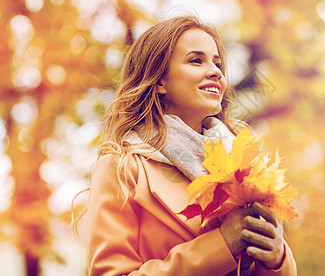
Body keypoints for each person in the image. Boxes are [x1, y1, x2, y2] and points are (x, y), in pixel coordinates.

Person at [86, 15, 298, 275]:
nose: (215, 72)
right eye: (196, 60)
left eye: (217, 63)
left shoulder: (243, 164)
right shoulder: (122, 169)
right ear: (160, 80)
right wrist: (222, 245)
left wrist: (277, 259)